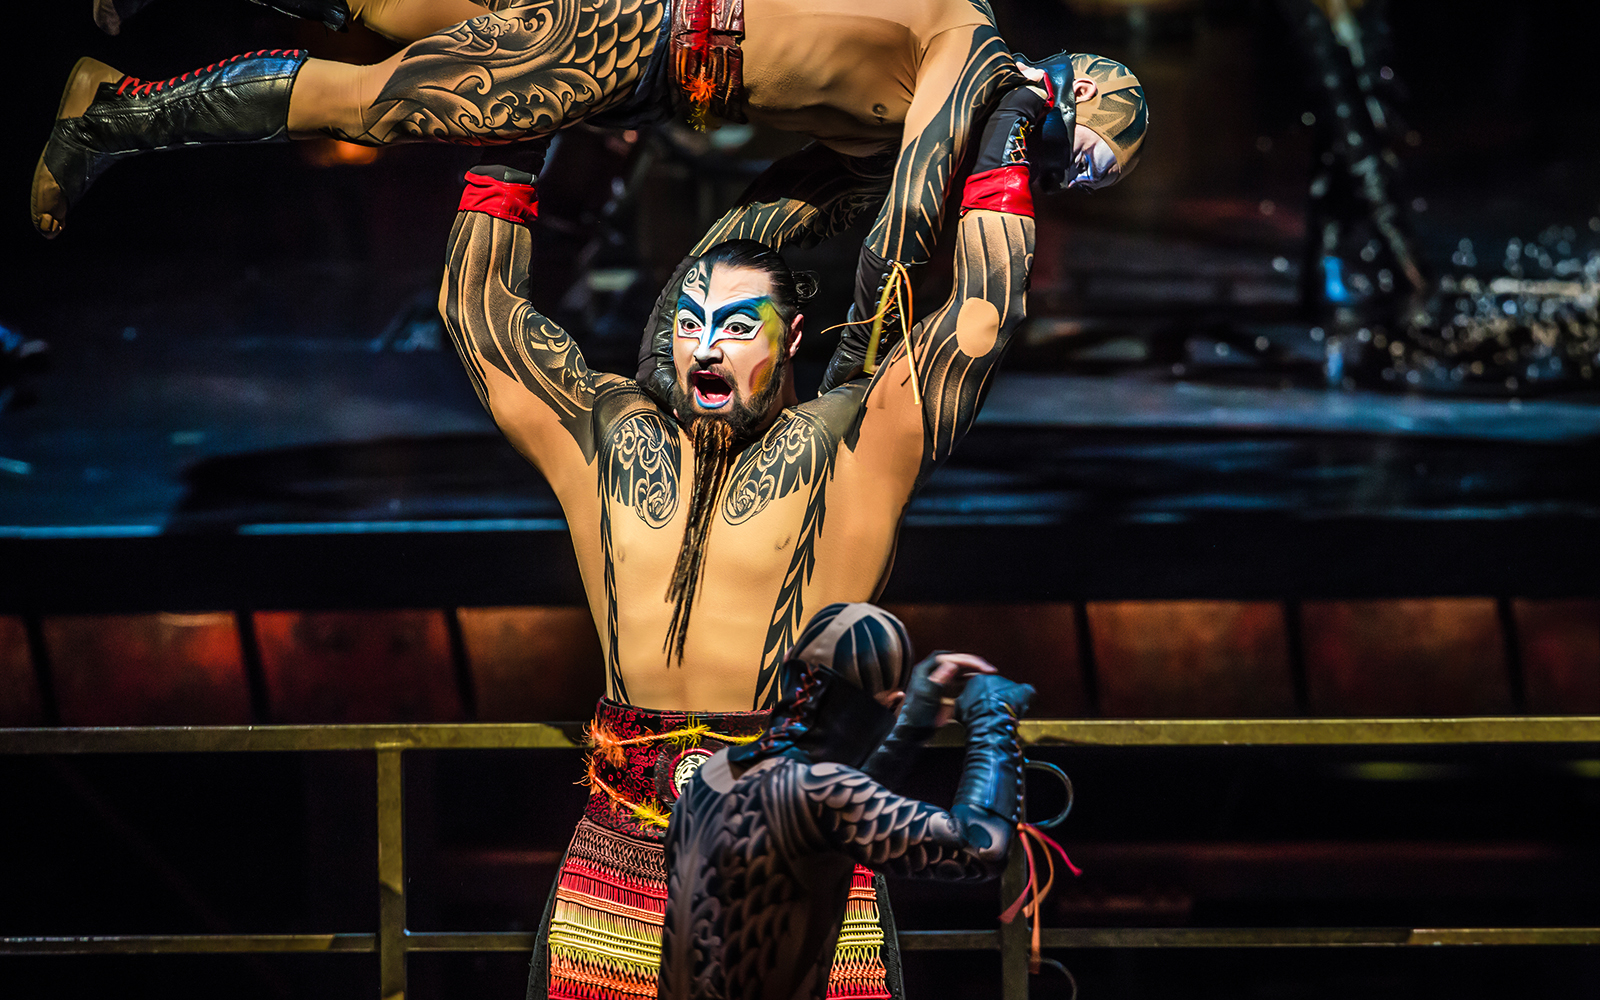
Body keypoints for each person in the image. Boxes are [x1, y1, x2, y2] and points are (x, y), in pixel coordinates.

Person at [438, 80, 1051, 999]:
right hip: (624, 846)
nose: (706, 349)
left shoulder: (847, 448)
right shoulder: (609, 437)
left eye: (734, 326)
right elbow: (477, 314)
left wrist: (1006, 134)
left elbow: (979, 320)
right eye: (689, 327)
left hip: (794, 841)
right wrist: (524, 120)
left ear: (792, 334)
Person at [35, 0, 1144, 384]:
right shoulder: (971, 49)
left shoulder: (915, 113)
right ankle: (116, 114)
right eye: (1043, 154)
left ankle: (124, 95)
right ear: (1054, 94)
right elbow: (906, 214)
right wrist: (857, 379)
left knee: (406, 20)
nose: (1020, 173)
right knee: (379, 103)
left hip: (650, 69)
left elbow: (787, 217)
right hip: (637, 37)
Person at [660, 602, 1033, 1000]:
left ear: (788, 666)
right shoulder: (819, 795)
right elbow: (982, 845)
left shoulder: (711, 775)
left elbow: (827, 808)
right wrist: (994, 717)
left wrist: (914, 721)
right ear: (890, 704)